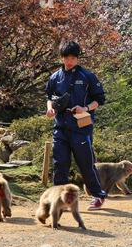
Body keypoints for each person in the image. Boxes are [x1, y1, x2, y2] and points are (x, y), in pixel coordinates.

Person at [45, 41, 107, 210]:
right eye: (67, 57)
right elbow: (50, 97)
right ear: (62, 58)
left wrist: (85, 108)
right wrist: (50, 109)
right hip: (60, 127)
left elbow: (99, 100)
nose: (70, 61)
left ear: (78, 58)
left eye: (73, 57)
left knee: (85, 164)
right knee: (60, 163)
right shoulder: (54, 77)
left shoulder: (87, 76)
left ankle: (98, 195)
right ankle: (59, 198)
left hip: (81, 128)